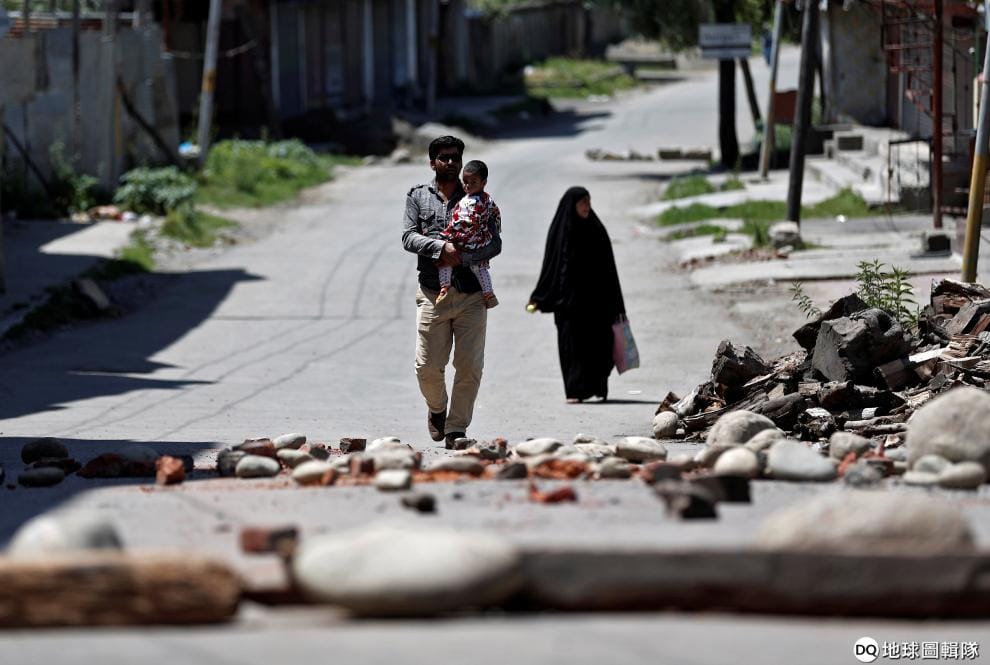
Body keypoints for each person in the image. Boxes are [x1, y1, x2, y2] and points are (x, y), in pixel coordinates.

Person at [402, 136, 502, 446]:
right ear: (432, 162)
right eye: (444, 157)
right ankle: (437, 408)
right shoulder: (418, 196)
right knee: (427, 367)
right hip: (433, 293)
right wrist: (440, 248)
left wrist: (466, 257)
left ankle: (456, 428)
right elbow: (408, 237)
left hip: (472, 294)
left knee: (470, 366)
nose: (450, 162)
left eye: (455, 157)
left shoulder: (478, 196)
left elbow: (495, 243)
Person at [528, 187, 625, 403]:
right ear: (572, 205)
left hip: (596, 303)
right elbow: (550, 266)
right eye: (583, 202)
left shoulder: (596, 229)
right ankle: (574, 390)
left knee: (599, 344)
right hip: (568, 305)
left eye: (589, 202)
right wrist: (540, 296)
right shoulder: (560, 232)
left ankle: (598, 387)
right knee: (571, 346)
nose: (587, 206)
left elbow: (609, 268)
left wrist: (616, 303)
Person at [437, 159, 502, 309]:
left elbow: (473, 221)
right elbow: (495, 213)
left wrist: (455, 235)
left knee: (449, 261)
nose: (468, 186)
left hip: (469, 239)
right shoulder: (476, 198)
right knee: (477, 267)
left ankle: (446, 286)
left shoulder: (479, 201)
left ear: (483, 183)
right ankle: (486, 293)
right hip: (471, 239)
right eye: (465, 182)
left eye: (473, 182)